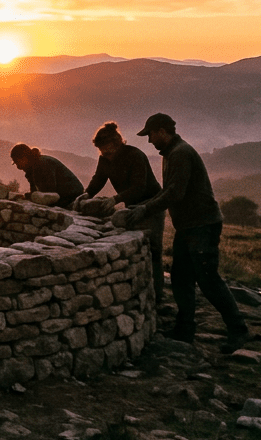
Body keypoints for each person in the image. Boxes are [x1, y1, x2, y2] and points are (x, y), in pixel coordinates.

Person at [127, 113, 249, 351]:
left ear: (162, 131)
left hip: (202, 225)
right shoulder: (172, 154)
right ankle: (184, 330)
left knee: (208, 279)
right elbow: (169, 191)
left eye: (150, 135)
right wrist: (146, 206)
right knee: (181, 278)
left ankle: (239, 330)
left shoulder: (180, 154)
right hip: (190, 225)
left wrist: (144, 209)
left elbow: (174, 193)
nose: (149, 140)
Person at [78, 121, 165, 304]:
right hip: (132, 205)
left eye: (108, 152)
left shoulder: (135, 156)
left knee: (154, 249)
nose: (105, 155)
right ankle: (140, 287)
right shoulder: (105, 158)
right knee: (136, 244)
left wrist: (114, 200)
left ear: (118, 144)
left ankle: (158, 296)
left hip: (151, 205)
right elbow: (99, 178)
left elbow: (139, 187)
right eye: (102, 152)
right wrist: (86, 194)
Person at [9, 144, 84, 208]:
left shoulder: (43, 163)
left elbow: (49, 190)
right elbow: (35, 191)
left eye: (17, 162)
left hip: (72, 196)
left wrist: (29, 196)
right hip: (63, 196)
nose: (18, 166)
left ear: (24, 157)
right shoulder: (31, 170)